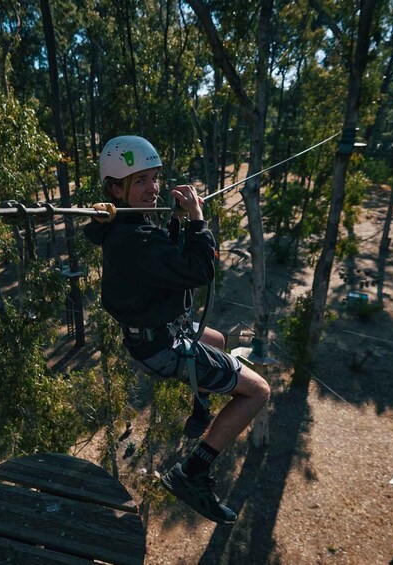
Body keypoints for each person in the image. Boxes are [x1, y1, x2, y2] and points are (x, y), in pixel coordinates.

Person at [84, 135, 270, 524]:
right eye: (140, 181)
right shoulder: (134, 237)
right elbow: (199, 270)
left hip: (155, 337)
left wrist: (174, 221)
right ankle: (193, 473)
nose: (152, 188)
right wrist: (198, 222)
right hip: (163, 347)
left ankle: (201, 406)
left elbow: (161, 258)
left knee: (217, 340)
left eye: (154, 178)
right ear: (116, 188)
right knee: (257, 392)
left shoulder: (126, 227)